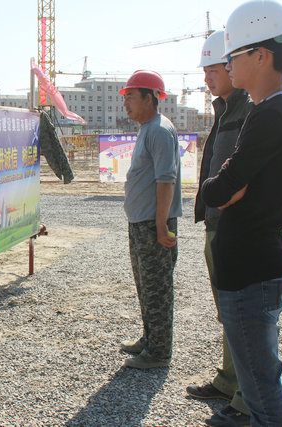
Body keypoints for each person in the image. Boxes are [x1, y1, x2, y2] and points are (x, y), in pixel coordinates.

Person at [201, 1, 282, 425]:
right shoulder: (273, 111)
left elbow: (217, 189)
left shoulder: (271, 115)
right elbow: (228, 189)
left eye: (233, 55)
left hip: (250, 273)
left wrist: (222, 184)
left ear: (261, 55)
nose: (226, 64)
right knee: (258, 381)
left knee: (262, 391)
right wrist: (227, 185)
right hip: (251, 269)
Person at [186, 30, 254, 421]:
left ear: (232, 65)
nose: (208, 77)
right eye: (205, 70)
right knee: (227, 311)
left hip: (234, 226)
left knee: (242, 314)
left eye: (214, 69)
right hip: (217, 224)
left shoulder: (249, 110)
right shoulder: (227, 109)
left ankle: (247, 398)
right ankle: (229, 380)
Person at [118, 70, 182, 369]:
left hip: (153, 224)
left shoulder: (159, 130)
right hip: (142, 223)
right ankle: (150, 339)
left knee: (158, 290)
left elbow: (166, 180)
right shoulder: (148, 128)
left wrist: (160, 225)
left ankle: (159, 353)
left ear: (150, 97)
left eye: (131, 96)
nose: (126, 103)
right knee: (146, 286)